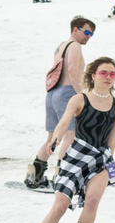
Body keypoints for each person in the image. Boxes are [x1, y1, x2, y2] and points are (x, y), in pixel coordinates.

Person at [9, 53, 115, 223]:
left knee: (92, 201)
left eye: (112, 73)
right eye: (104, 72)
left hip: (100, 159)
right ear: (94, 75)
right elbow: (63, 124)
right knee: (60, 205)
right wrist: (54, 141)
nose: (109, 77)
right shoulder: (80, 100)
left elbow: (113, 137)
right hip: (76, 155)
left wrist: (111, 163)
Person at [26, 16, 96, 189]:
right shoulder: (75, 46)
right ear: (75, 30)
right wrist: (81, 95)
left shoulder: (61, 46)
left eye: (91, 34)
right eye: (86, 32)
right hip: (66, 93)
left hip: (52, 94)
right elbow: (72, 69)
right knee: (69, 136)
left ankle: (35, 174)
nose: (88, 36)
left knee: (52, 137)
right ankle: (62, 176)